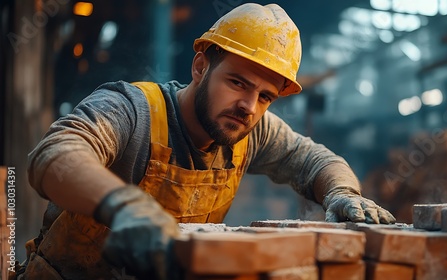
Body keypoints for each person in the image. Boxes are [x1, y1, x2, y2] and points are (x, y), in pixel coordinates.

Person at [20, 3, 395, 280]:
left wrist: (343, 193)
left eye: (265, 96)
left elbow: (316, 160)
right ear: (200, 68)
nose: (249, 106)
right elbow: (54, 154)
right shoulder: (132, 110)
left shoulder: (251, 128)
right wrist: (122, 206)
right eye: (238, 83)